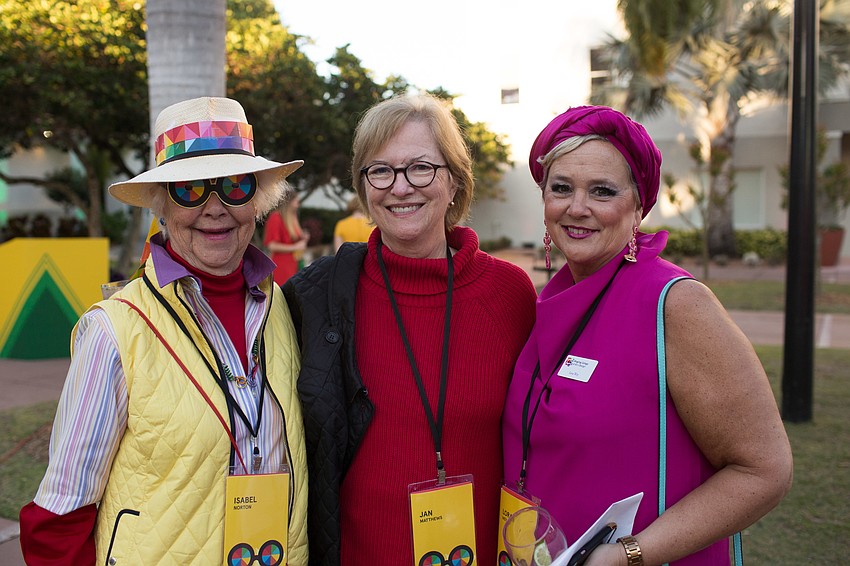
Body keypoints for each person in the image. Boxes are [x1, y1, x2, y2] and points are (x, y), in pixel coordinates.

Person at [19, 97, 309, 565]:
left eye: (234, 186)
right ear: (161, 205)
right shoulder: (114, 330)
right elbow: (60, 517)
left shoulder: (282, 307)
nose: (214, 208)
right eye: (189, 190)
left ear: (257, 200)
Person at [502, 106, 793, 565]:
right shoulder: (549, 298)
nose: (577, 207)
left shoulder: (674, 304)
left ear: (639, 205)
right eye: (561, 188)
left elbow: (764, 471)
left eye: (602, 191)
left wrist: (628, 555)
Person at [283, 93, 537, 566]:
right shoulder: (316, 298)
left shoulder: (511, 295)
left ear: (455, 181)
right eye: (380, 170)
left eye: (420, 168)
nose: (400, 188)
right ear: (364, 187)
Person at [264, 192, 310, 285]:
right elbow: (272, 246)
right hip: (282, 265)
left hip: (294, 263)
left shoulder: (293, 216)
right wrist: (295, 247)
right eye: (296, 201)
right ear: (289, 201)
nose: (298, 204)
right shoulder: (276, 217)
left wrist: (303, 238)